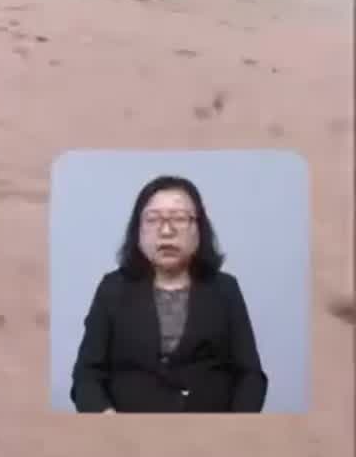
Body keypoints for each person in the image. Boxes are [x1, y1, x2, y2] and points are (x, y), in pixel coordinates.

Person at [70, 174, 266, 413]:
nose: (166, 231)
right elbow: (86, 376)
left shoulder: (225, 289)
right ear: (138, 231)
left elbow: (251, 376)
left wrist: (235, 429)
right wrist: (108, 421)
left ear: (199, 230)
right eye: (153, 219)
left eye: (180, 219)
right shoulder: (112, 288)